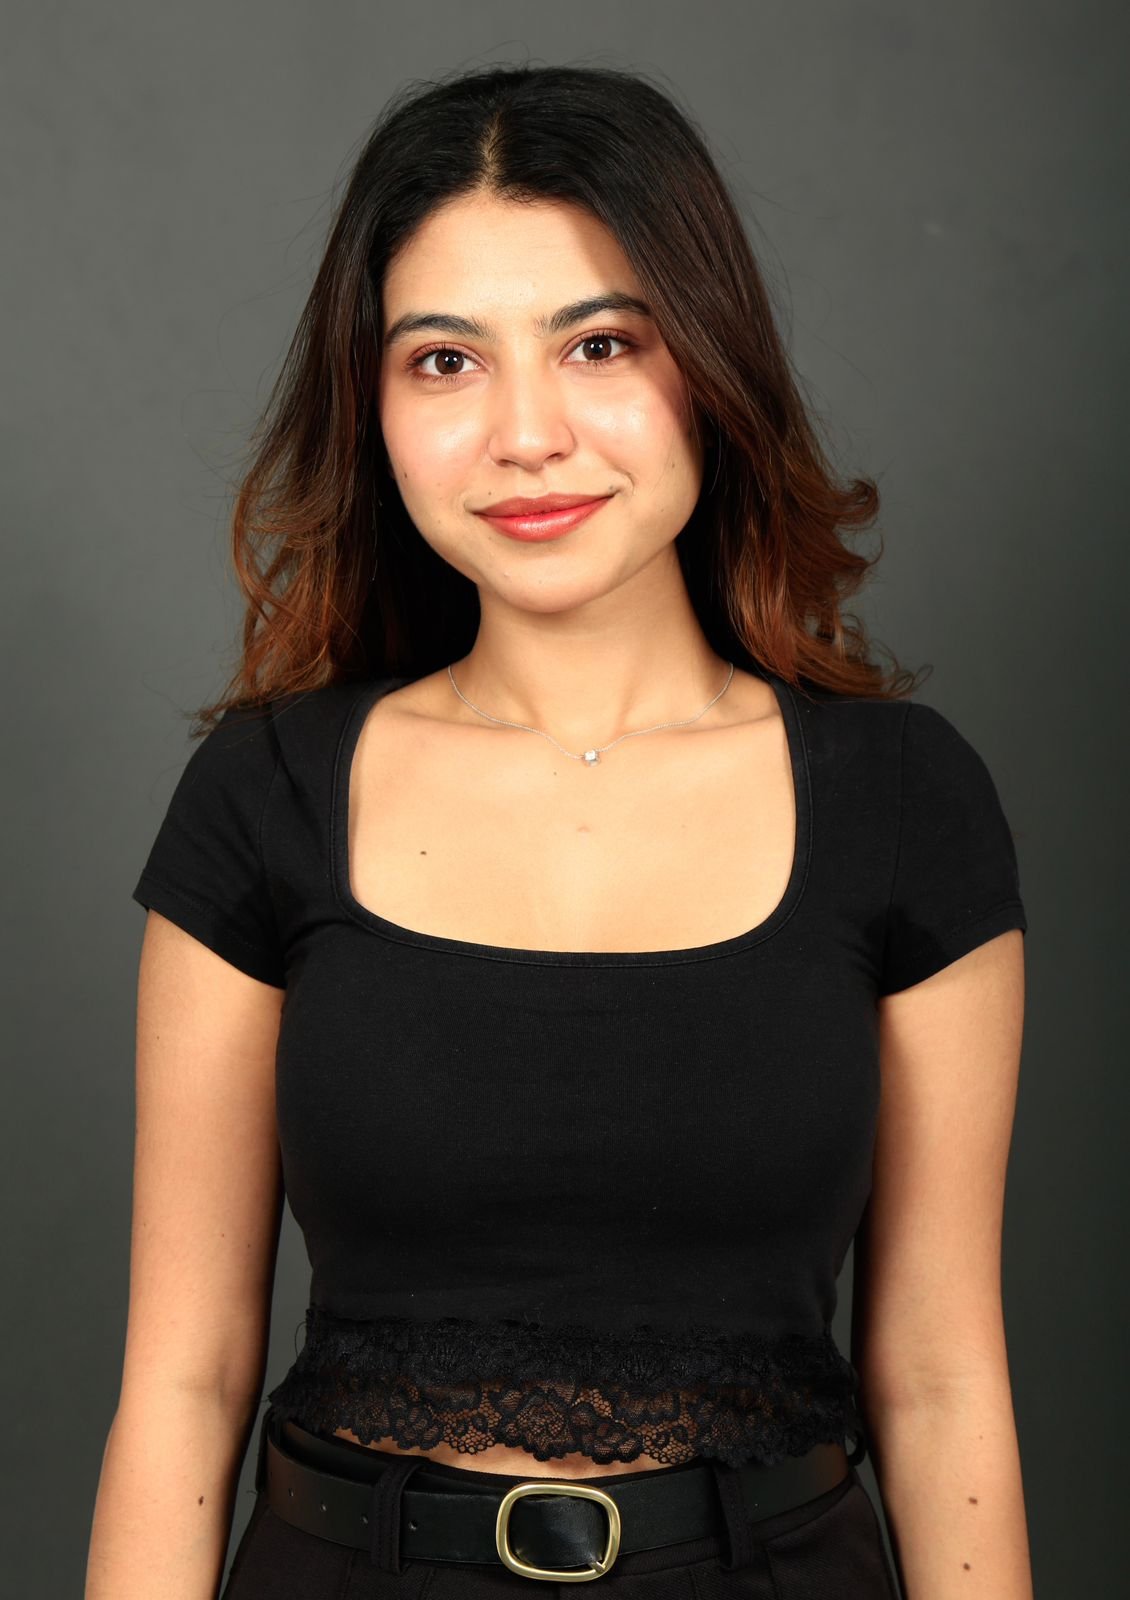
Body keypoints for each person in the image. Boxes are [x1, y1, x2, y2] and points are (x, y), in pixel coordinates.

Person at [85, 61, 1034, 1600]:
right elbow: (183, 1388)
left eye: (598, 344)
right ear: (372, 407)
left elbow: (937, 1382)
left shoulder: (903, 800)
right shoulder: (262, 796)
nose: (524, 434)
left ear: (708, 365)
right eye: (442, 361)